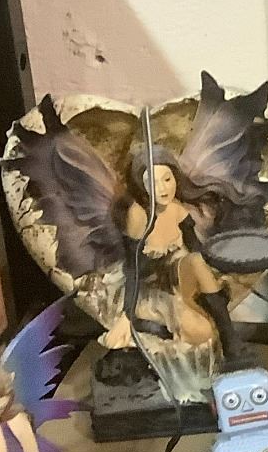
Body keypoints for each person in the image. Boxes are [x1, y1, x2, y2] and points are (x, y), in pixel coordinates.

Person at [103, 144, 247, 365]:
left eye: (167, 179)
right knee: (203, 333)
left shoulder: (178, 210)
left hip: (177, 278)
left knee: (196, 260)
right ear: (142, 185)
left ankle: (230, 340)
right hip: (149, 288)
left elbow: (197, 251)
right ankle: (153, 329)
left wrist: (222, 269)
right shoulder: (138, 217)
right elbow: (134, 270)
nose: (162, 188)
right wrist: (127, 316)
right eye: (153, 182)